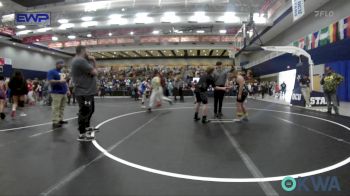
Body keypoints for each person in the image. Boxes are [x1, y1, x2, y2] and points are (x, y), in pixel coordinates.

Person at [71, 46, 98, 141]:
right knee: (85, 111)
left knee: (90, 110)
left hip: (87, 91)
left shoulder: (81, 61)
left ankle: (86, 127)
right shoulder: (80, 61)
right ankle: (82, 134)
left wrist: (92, 61)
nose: (88, 52)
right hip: (84, 92)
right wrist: (93, 61)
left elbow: (92, 72)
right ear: (82, 51)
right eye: (87, 50)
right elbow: (94, 72)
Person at [47, 60, 70, 128]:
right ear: (57, 64)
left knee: (62, 107)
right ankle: (55, 121)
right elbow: (50, 80)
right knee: (56, 107)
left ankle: (60, 120)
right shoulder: (51, 71)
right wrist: (59, 81)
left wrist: (68, 90)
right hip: (56, 92)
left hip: (63, 92)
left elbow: (64, 82)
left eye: (63, 64)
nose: (62, 65)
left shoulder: (61, 72)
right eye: (61, 64)